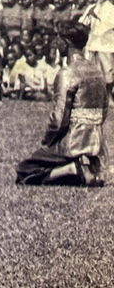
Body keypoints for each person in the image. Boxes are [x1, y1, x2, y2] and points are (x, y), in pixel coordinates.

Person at [16, 21, 108, 186]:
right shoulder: (97, 70)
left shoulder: (67, 73)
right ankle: (87, 169)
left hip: (73, 144)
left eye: (59, 39)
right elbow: (104, 110)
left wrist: (47, 141)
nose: (56, 43)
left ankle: (73, 168)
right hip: (97, 144)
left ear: (66, 43)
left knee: (24, 170)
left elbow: (58, 120)